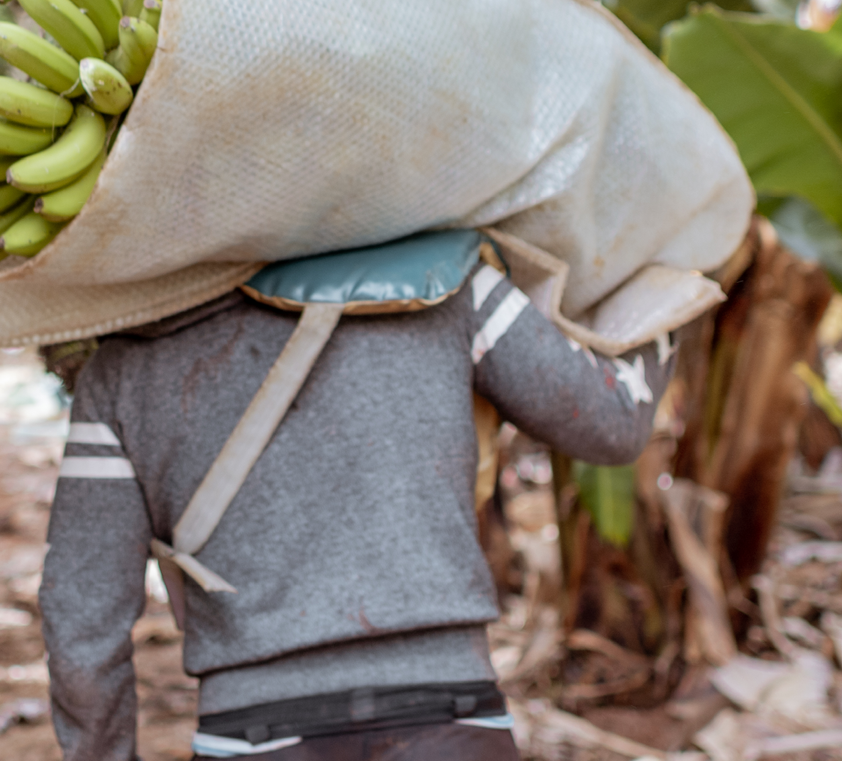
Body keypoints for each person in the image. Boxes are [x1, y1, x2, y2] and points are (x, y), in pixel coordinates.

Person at [39, 229, 673, 760]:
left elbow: (81, 623)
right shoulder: (446, 285)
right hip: (451, 722)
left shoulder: (123, 370)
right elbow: (611, 423)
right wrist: (668, 299)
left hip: (253, 734)